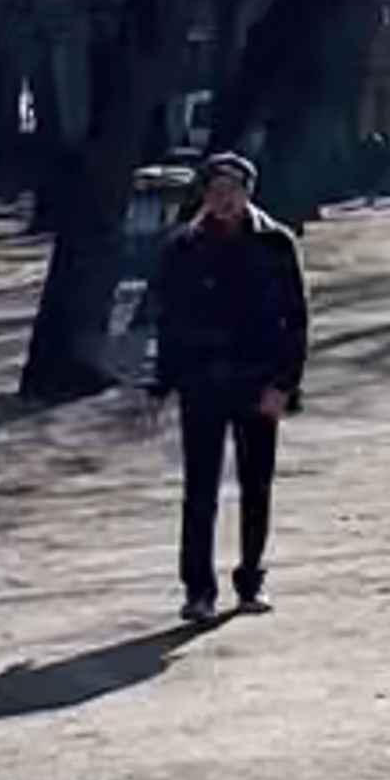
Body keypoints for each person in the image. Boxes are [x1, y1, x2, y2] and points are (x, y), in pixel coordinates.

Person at [147, 148, 310, 622]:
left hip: (259, 380)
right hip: (202, 381)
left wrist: (286, 384)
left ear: (248, 193)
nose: (223, 200)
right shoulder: (183, 247)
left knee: (256, 485)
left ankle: (250, 580)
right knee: (200, 489)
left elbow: (295, 321)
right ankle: (198, 589)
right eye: (215, 191)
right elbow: (168, 321)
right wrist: (160, 385)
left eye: (232, 191)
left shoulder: (276, 243)